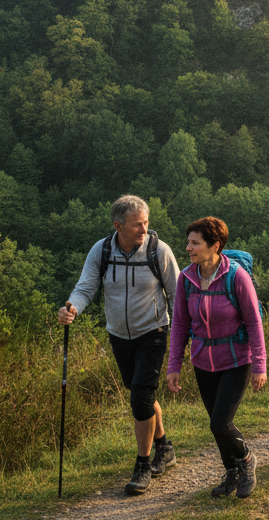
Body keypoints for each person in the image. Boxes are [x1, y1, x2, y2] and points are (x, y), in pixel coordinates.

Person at [58, 195, 180, 496]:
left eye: (146, 223)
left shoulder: (158, 251)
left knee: (140, 396)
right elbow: (86, 286)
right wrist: (72, 307)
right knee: (141, 393)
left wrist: (181, 338)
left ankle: (142, 464)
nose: (145, 229)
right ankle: (165, 447)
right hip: (118, 335)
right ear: (118, 226)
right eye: (138, 225)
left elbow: (178, 294)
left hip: (153, 331)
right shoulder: (101, 251)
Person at [167, 217, 266, 499]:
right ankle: (231, 472)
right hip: (202, 361)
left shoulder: (237, 276)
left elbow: (254, 323)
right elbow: (180, 325)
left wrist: (260, 365)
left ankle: (246, 461)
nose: (188, 248)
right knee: (216, 424)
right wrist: (174, 365)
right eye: (189, 242)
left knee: (220, 422)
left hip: (236, 360)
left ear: (215, 246)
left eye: (195, 243)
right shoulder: (186, 279)